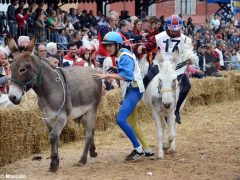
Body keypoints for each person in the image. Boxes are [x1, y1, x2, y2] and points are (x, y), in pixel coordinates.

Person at [93, 32, 153, 161]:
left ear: (118, 45)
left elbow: (128, 76)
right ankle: (147, 150)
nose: (107, 48)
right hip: (132, 90)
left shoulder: (124, 56)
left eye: (110, 45)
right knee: (132, 122)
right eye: (106, 46)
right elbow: (127, 70)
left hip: (134, 91)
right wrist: (116, 69)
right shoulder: (123, 53)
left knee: (121, 120)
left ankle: (138, 149)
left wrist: (106, 75)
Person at [137, 14, 194, 124]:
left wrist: (190, 59)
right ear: (168, 27)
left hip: (177, 68)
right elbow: (149, 45)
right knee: (146, 79)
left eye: (177, 30)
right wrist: (143, 48)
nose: (174, 33)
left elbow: (188, 54)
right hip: (161, 65)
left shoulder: (186, 39)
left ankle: (176, 111)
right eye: (173, 30)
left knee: (187, 86)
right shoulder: (159, 36)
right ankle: (136, 100)